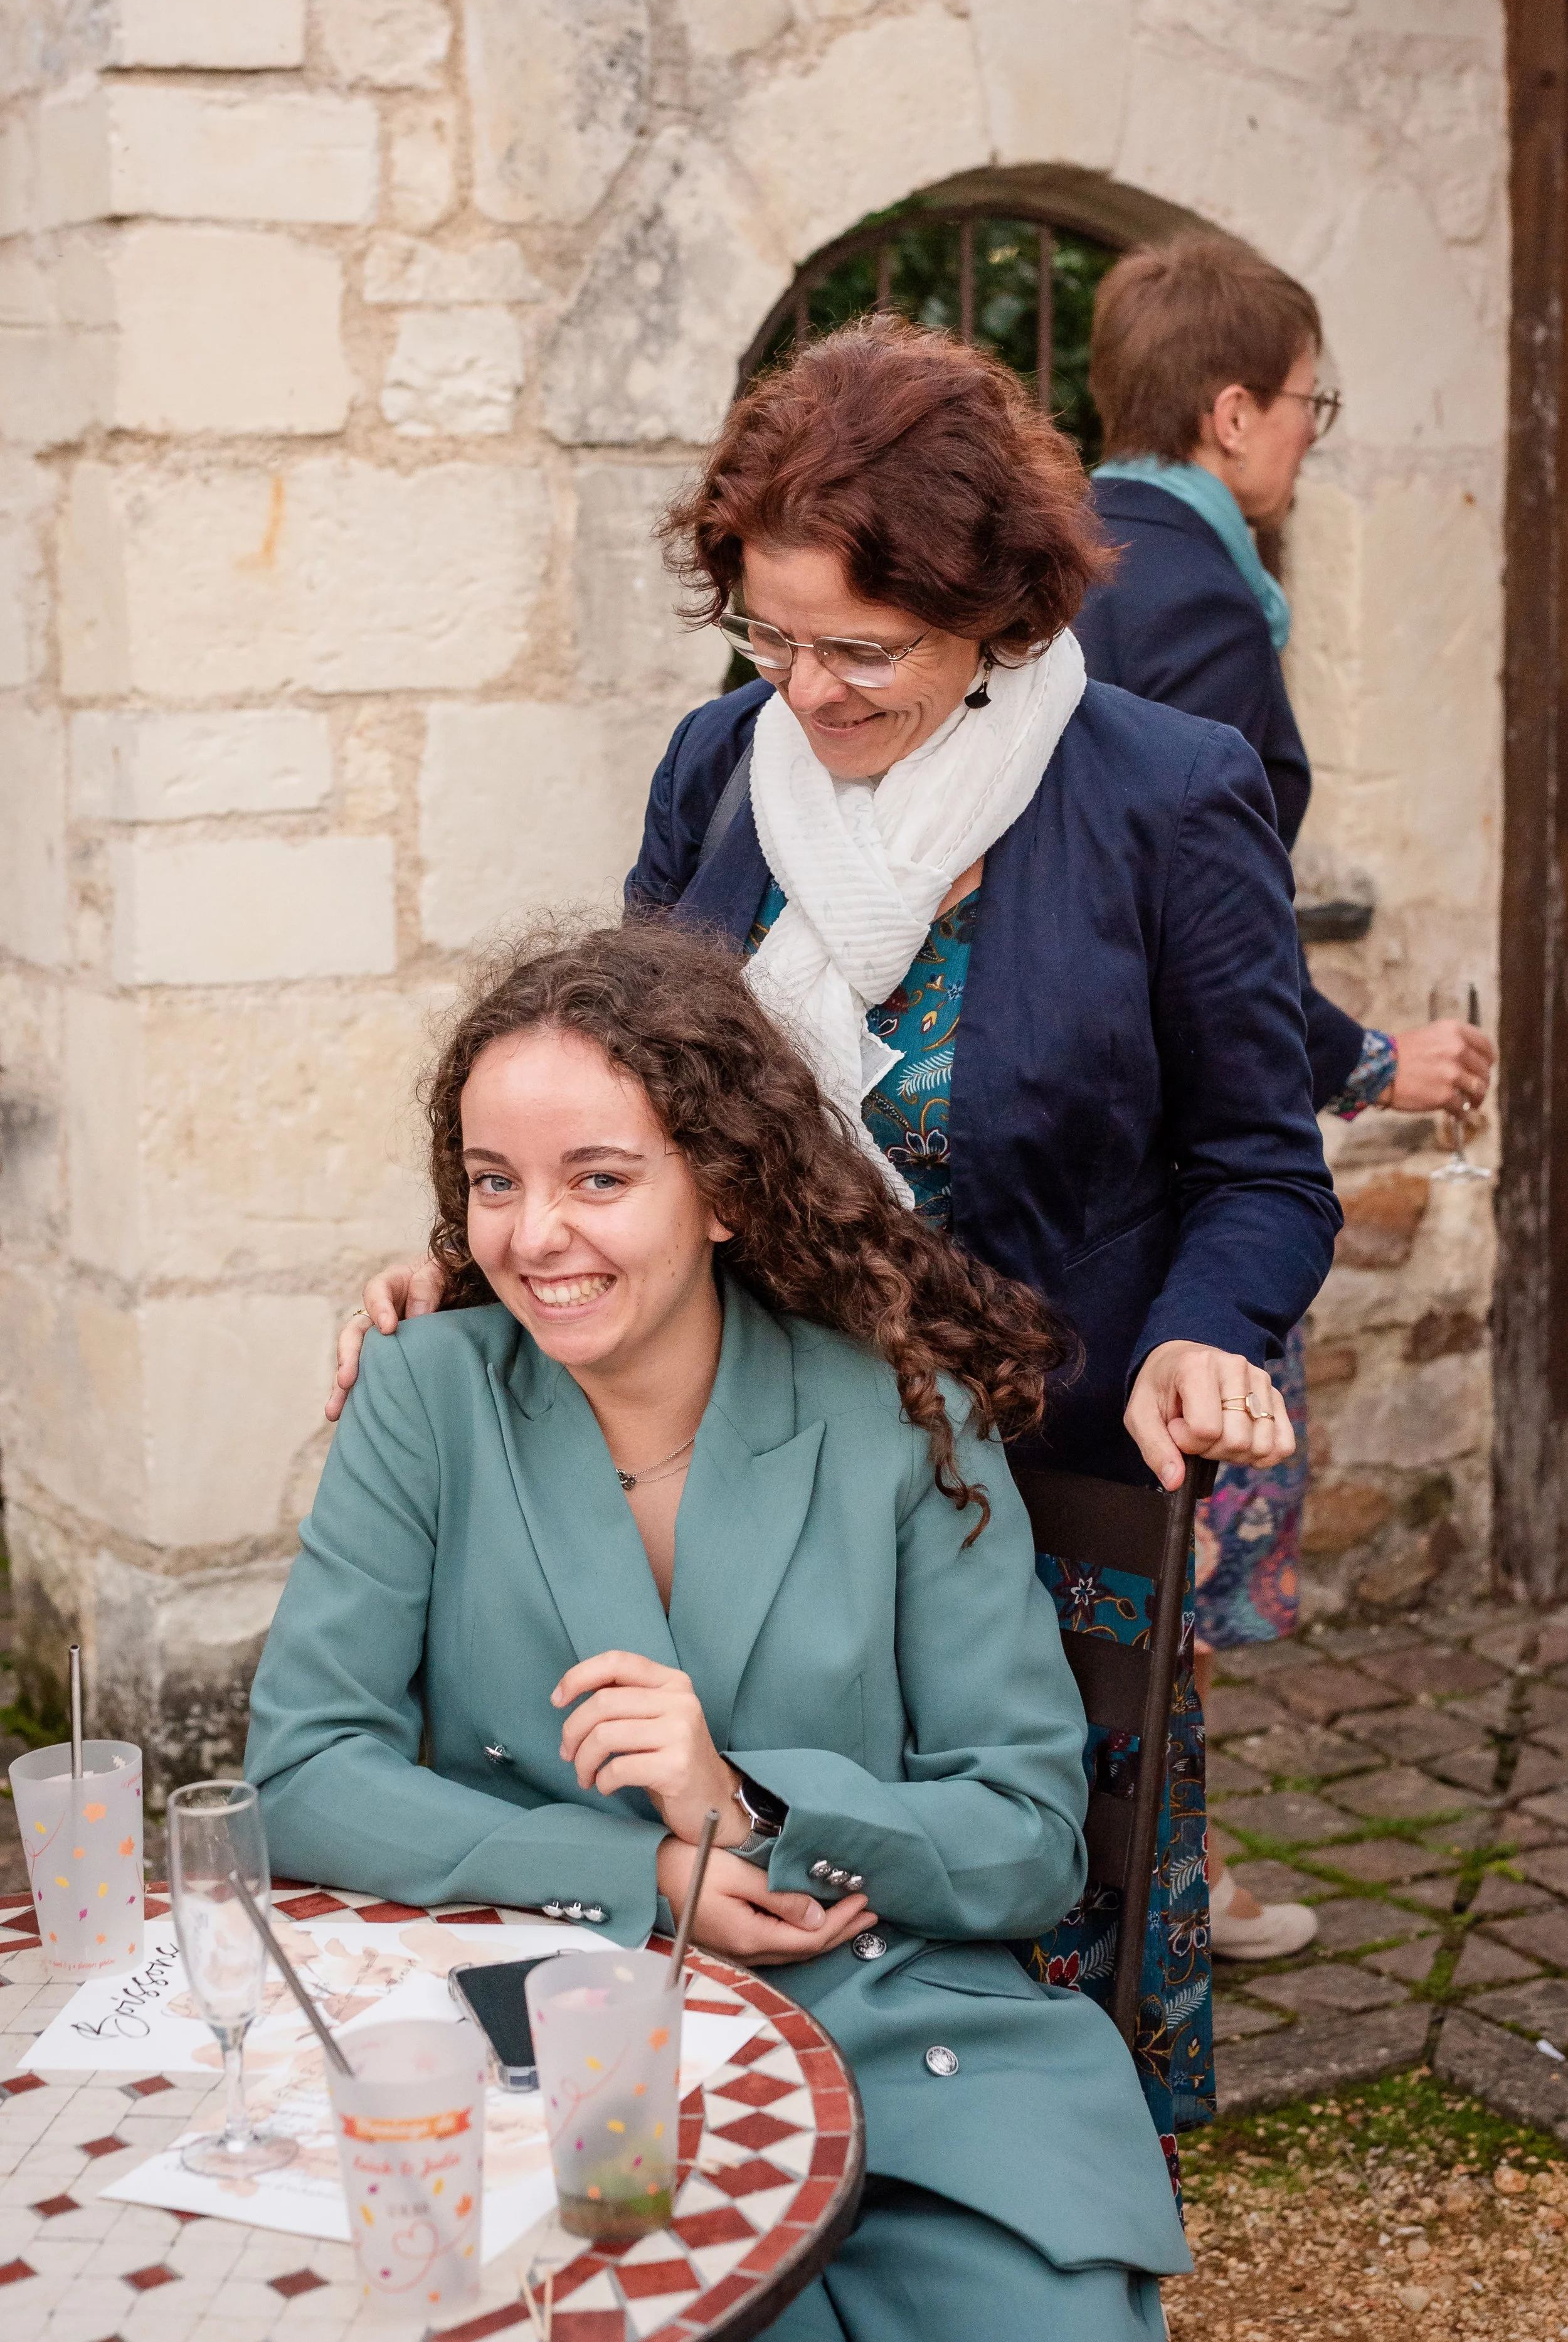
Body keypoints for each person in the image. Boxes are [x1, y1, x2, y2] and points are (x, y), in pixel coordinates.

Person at [327, 318, 1342, 2135]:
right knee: (741, 1857)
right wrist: (468, 1254)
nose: (805, 690)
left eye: (862, 649)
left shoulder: (1165, 795)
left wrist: (1205, 1329)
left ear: (999, 613)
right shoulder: (716, 766)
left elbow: (1261, 1165)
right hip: (756, 1459)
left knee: (1011, 1906)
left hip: (1047, 1458)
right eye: (770, 636)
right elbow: (625, 1074)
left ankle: (1010, 2188)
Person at [246, 918, 1190, 2341]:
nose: (534, 1235)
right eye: (495, 1181)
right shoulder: (424, 1395)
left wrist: (749, 1805)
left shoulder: (898, 1412)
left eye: (598, 1178)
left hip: (891, 2036)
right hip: (545, 2043)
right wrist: (642, 1870)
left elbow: (1026, 1837)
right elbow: (304, 1770)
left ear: (726, 1191)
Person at [1074, 230, 1498, 1959]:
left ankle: (1136, 1871)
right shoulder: (1197, 603)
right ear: (1232, 408)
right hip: (1164, 1155)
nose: (1311, 440)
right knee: (1165, 1524)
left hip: (1077, 1121)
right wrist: (1367, 1059)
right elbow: (1184, 917)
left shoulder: (1073, 560)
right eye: (1311, 405)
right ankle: (1160, 1885)